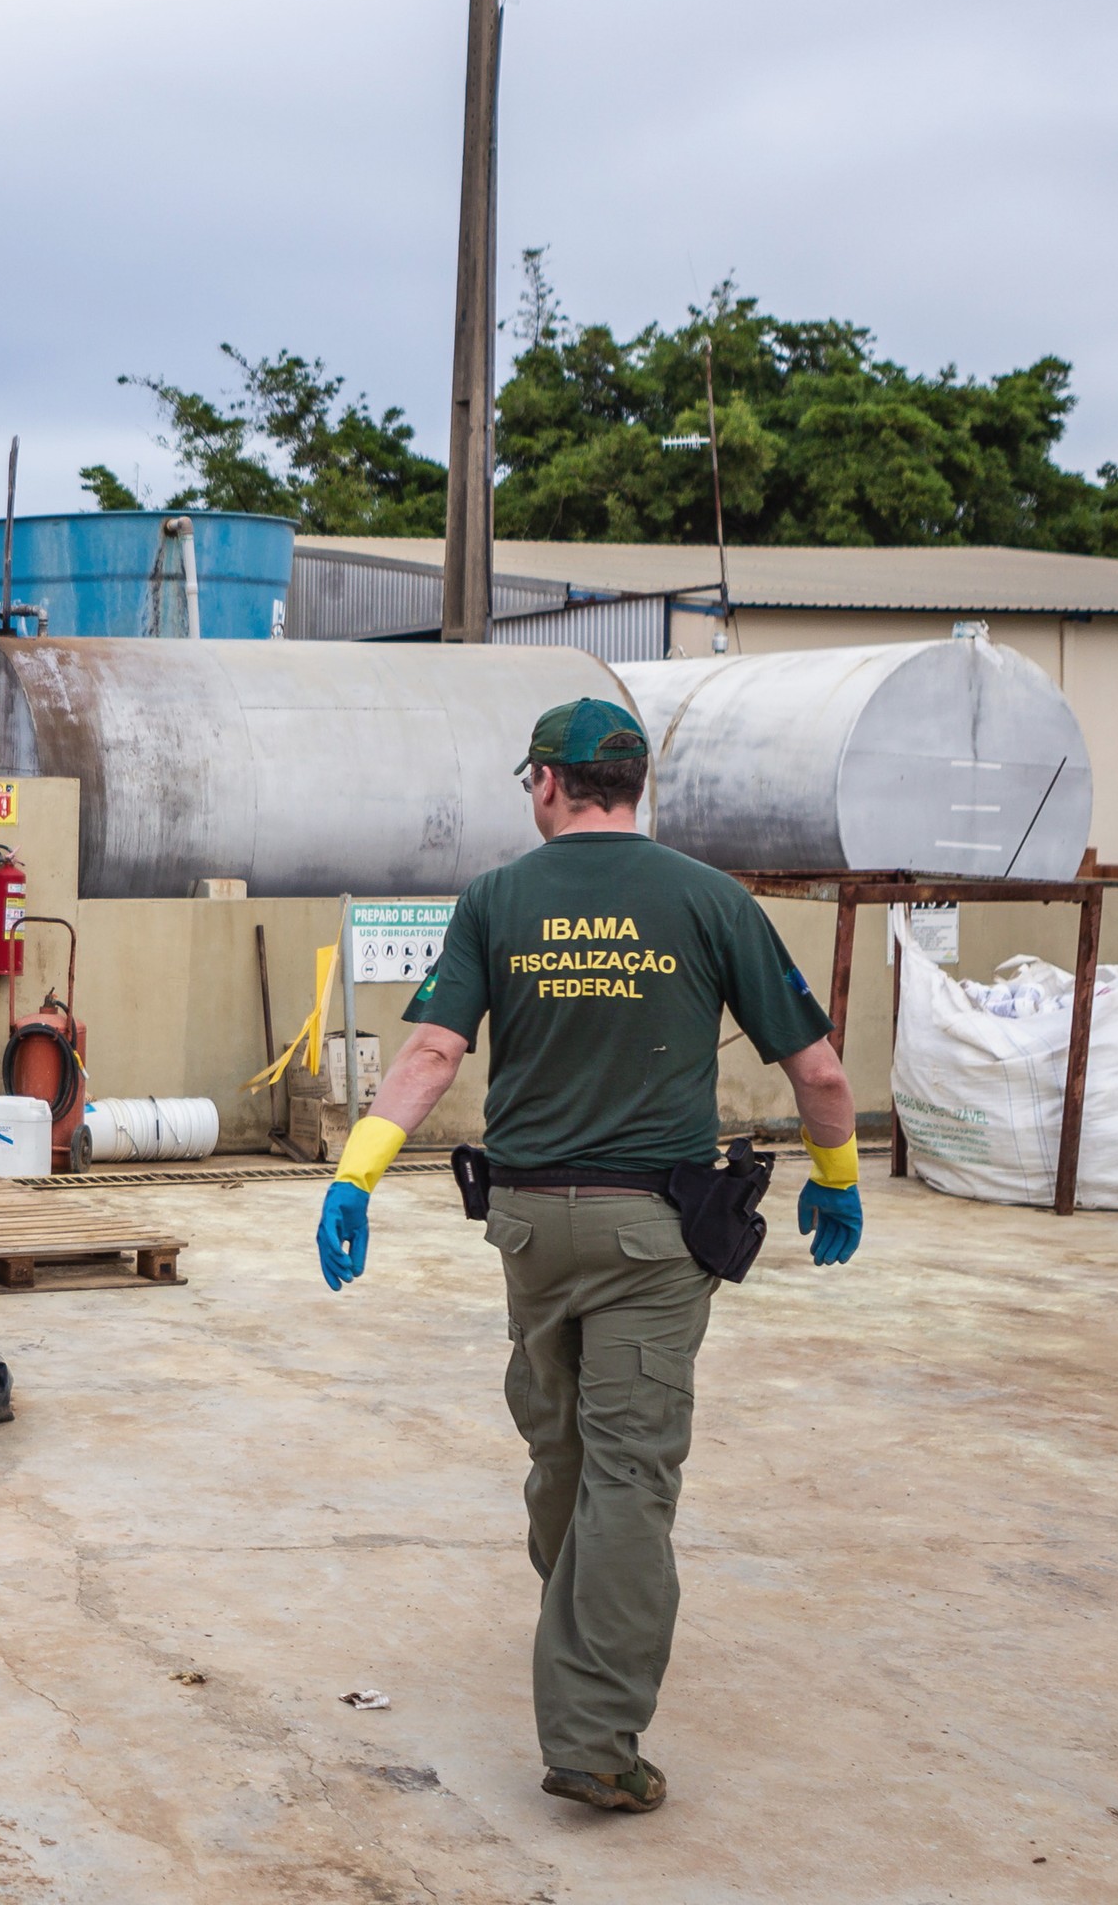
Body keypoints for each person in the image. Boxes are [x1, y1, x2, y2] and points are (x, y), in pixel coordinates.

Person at [311, 698, 865, 1815]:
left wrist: (354, 1176)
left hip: (526, 1224)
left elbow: (431, 1052)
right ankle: (597, 1739)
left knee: (562, 1448)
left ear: (549, 783)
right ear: (635, 784)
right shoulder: (711, 899)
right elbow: (818, 1072)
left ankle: (578, 1636)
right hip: (651, 1233)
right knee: (629, 1471)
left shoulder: (497, 898)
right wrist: (839, 1177)